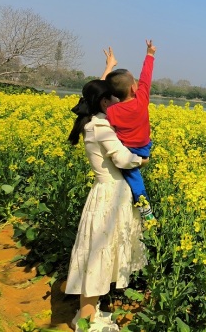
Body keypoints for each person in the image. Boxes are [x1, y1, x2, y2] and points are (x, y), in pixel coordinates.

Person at [66, 79, 148, 331]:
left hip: (104, 193)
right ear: (104, 101)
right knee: (98, 255)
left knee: (100, 253)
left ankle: (89, 313)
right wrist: (142, 160)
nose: (118, 101)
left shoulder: (90, 121)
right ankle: (86, 321)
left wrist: (109, 67)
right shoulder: (101, 126)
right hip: (111, 197)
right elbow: (123, 159)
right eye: (113, 97)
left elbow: (96, 90)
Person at [103, 40, 156, 221]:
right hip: (144, 147)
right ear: (134, 88)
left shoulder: (111, 110)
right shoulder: (141, 100)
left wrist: (108, 68)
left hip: (127, 150)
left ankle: (146, 209)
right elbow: (146, 77)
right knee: (133, 174)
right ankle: (144, 210)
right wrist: (150, 54)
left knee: (133, 176)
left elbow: (101, 92)